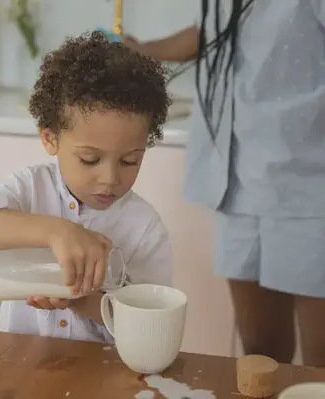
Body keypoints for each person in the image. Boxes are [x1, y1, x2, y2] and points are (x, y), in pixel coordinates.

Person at [123, 0, 325, 367]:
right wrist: (143, 51)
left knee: (319, 364)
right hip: (236, 182)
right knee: (261, 352)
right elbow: (212, 31)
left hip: (310, 188)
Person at [0, 32, 172, 343]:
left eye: (130, 161)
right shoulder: (29, 189)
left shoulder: (144, 228)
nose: (109, 178)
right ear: (50, 139)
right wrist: (58, 232)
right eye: (90, 159)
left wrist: (84, 301)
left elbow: (151, 329)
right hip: (20, 367)